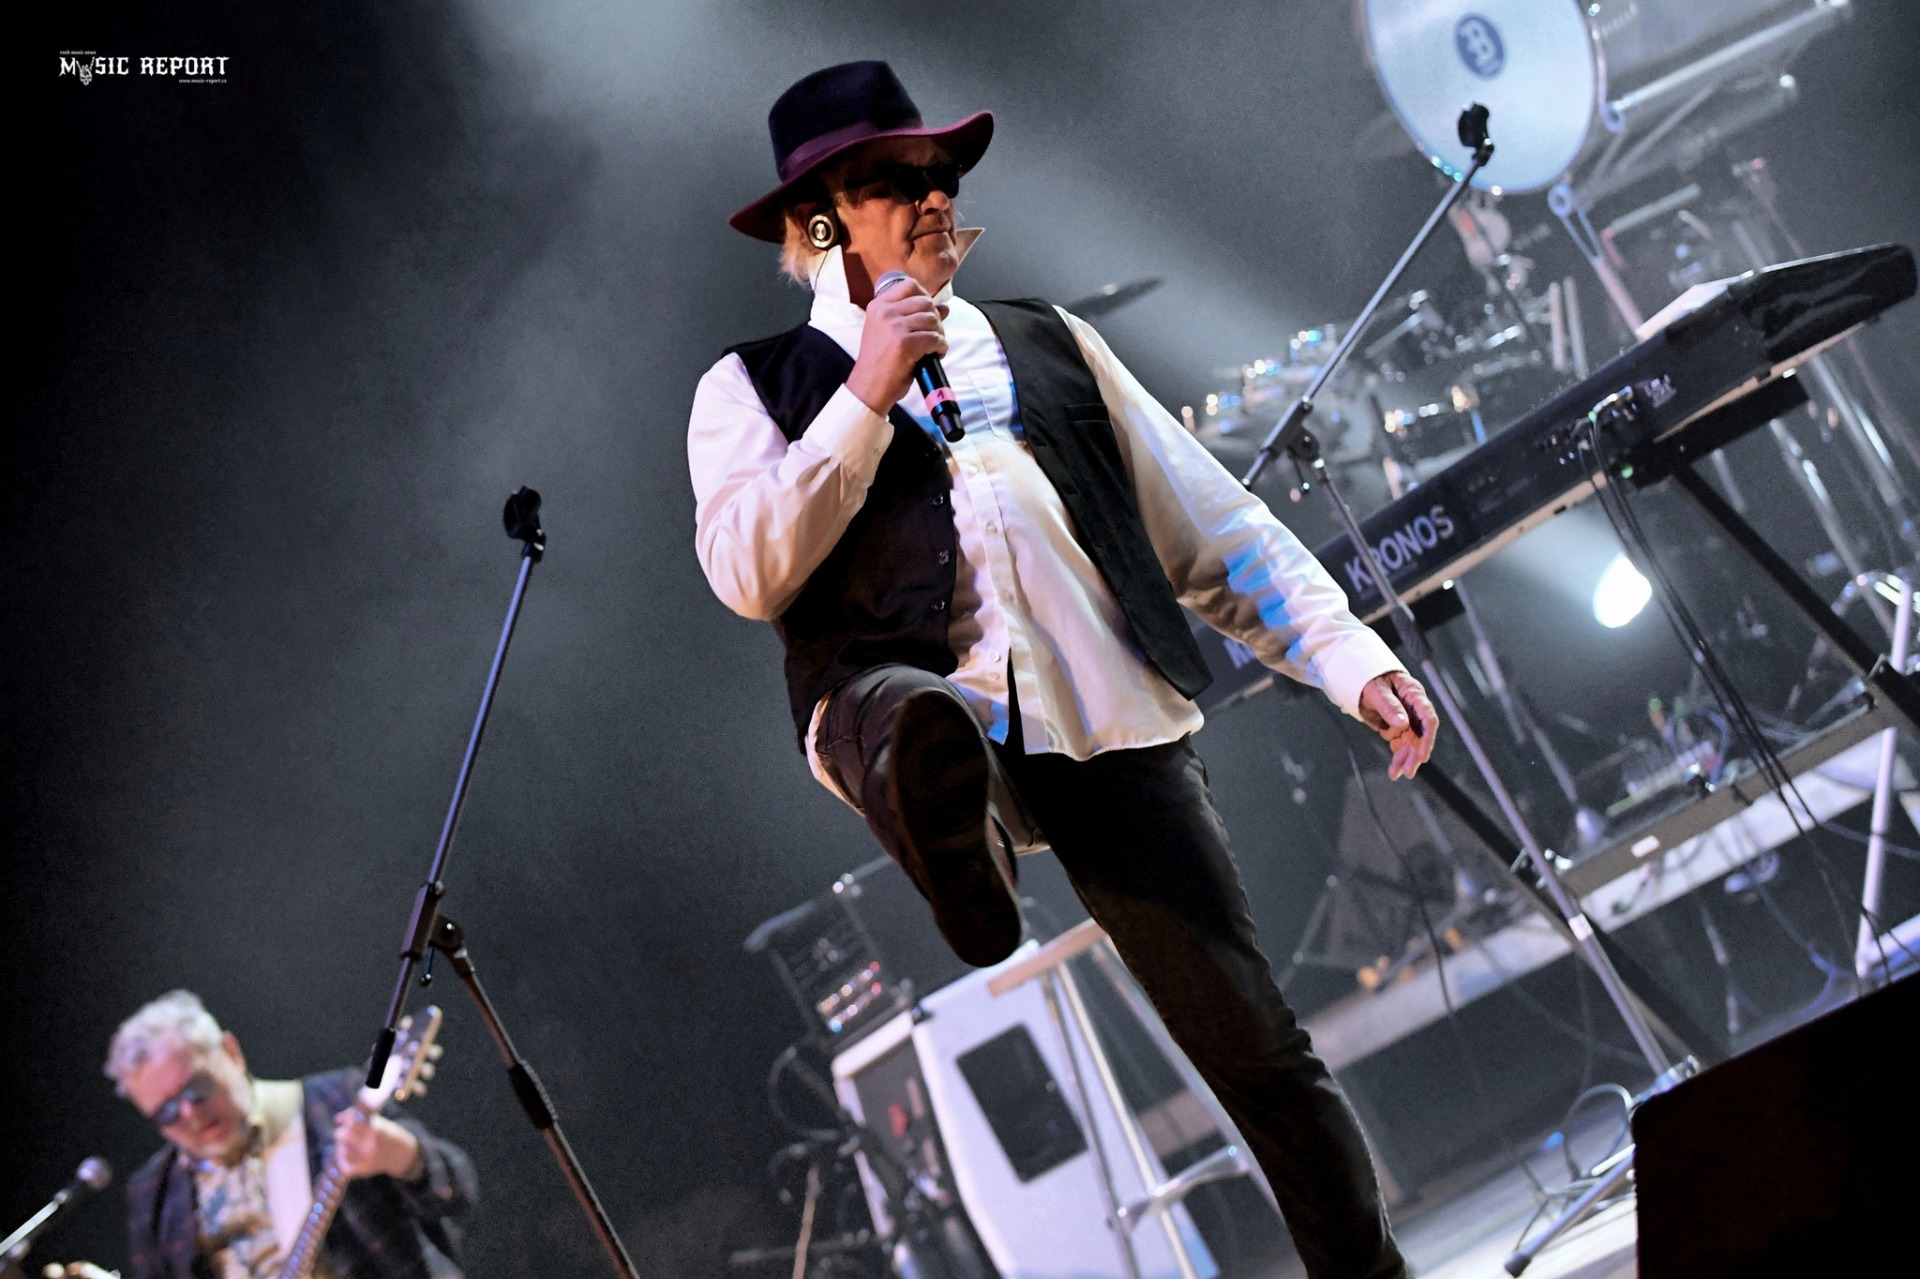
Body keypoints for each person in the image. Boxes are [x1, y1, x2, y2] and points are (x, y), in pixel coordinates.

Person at [689, 61, 1439, 1279]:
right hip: (901, 703)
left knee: (1255, 1045)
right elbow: (745, 570)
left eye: (944, 173)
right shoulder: (750, 388)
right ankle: (960, 833)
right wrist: (867, 392)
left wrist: (1350, 659)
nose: (937, 196)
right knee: (914, 720)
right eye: (899, 181)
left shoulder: (1050, 342)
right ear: (822, 222)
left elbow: (1217, 527)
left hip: (1106, 717)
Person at [106, 990, 476, 1279]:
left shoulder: (336, 1103)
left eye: (197, 1087)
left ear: (232, 1053)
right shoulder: (152, 1195)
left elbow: (459, 1191)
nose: (190, 1114)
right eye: (167, 1111)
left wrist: (402, 1156)